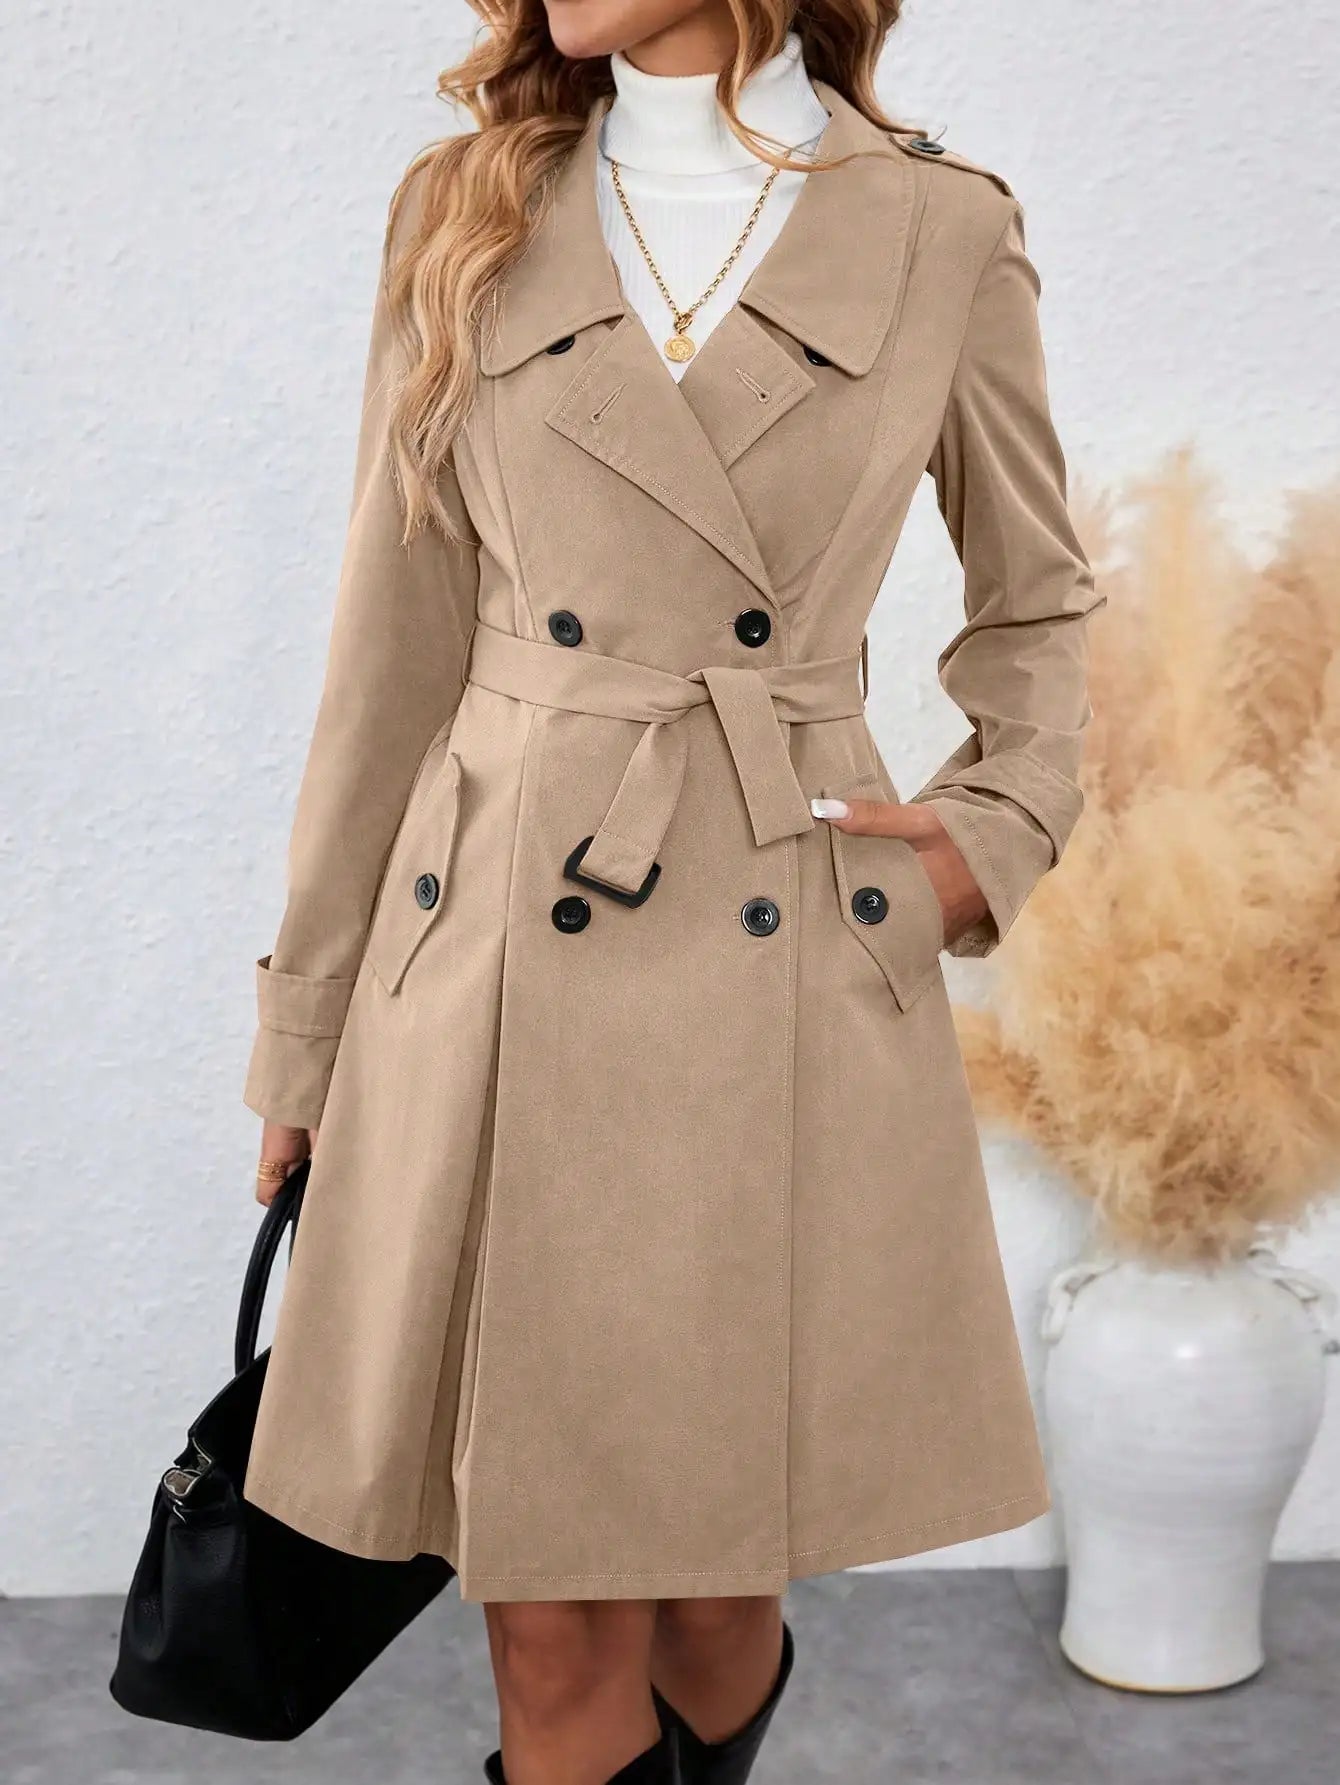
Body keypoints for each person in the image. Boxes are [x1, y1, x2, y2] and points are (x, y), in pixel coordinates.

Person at [239, 3, 1102, 1781]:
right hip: (489, 961)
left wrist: (985, 835)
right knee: (553, 1615)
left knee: (717, 1602)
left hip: (779, 951)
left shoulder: (941, 230)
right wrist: (307, 1027)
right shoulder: (467, 206)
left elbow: (1037, 602)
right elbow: (388, 650)